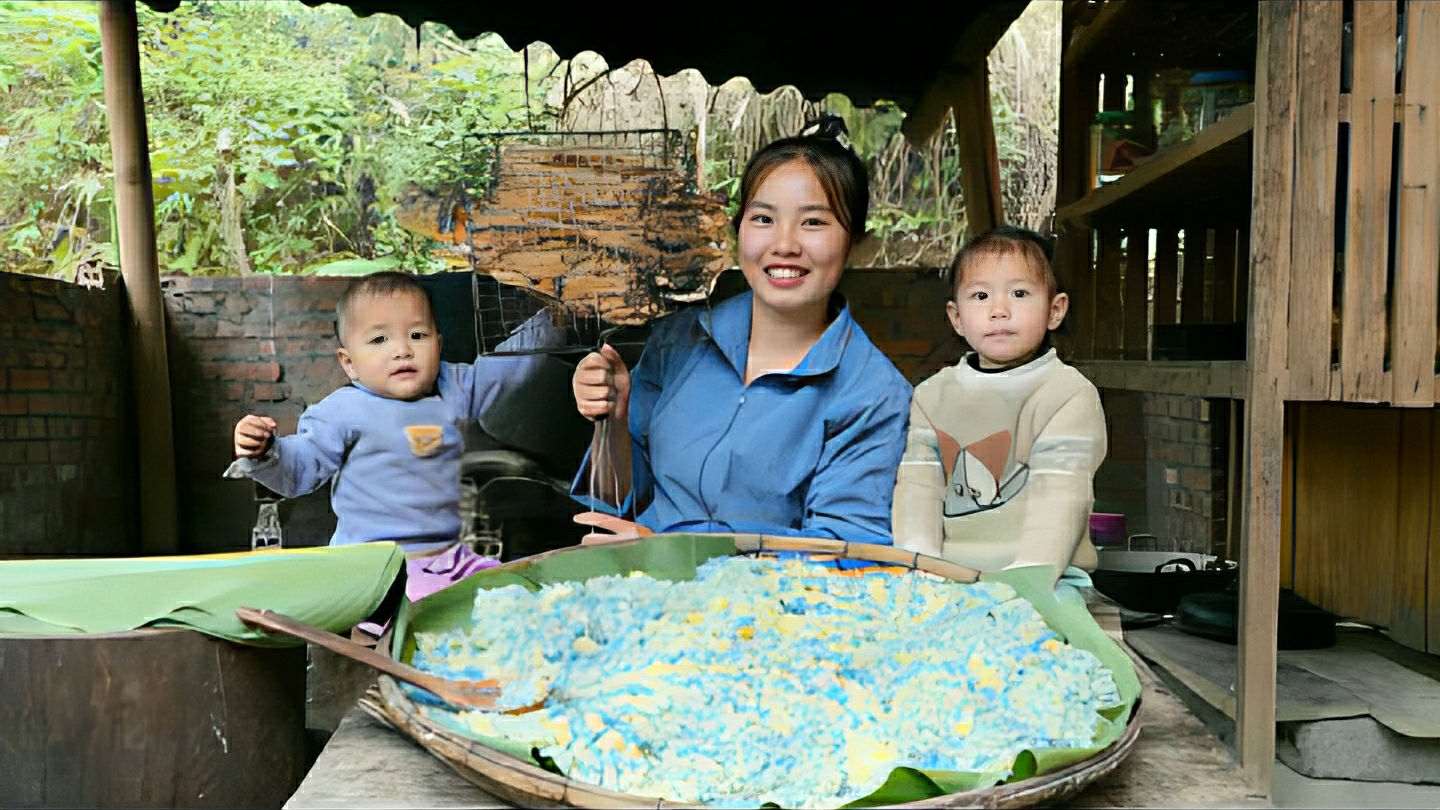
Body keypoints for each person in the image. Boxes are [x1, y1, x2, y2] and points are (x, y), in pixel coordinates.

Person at [570, 116, 912, 544]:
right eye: (764, 219)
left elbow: (841, 551)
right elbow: (615, 499)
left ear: (857, 245)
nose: (784, 245)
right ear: (739, 232)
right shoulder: (678, 341)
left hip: (752, 590)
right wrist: (614, 421)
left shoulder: (874, 394)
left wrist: (664, 552)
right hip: (632, 572)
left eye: (813, 222)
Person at [224, 271, 542, 602]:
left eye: (417, 335)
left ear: (438, 344)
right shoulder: (342, 411)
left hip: (446, 559)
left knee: (513, 593)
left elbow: (510, 368)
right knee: (416, 610)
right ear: (349, 363)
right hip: (369, 567)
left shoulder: (455, 386)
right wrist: (265, 450)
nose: (402, 350)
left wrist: (554, 320)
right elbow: (300, 468)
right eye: (379, 340)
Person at [891, 226, 1105, 591]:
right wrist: (922, 574)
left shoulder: (1068, 394)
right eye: (980, 295)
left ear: (1055, 310)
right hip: (950, 579)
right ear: (957, 318)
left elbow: (1061, 496)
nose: (999, 311)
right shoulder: (931, 396)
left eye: (1019, 293)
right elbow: (917, 491)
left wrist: (1025, 584)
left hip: (1049, 579)